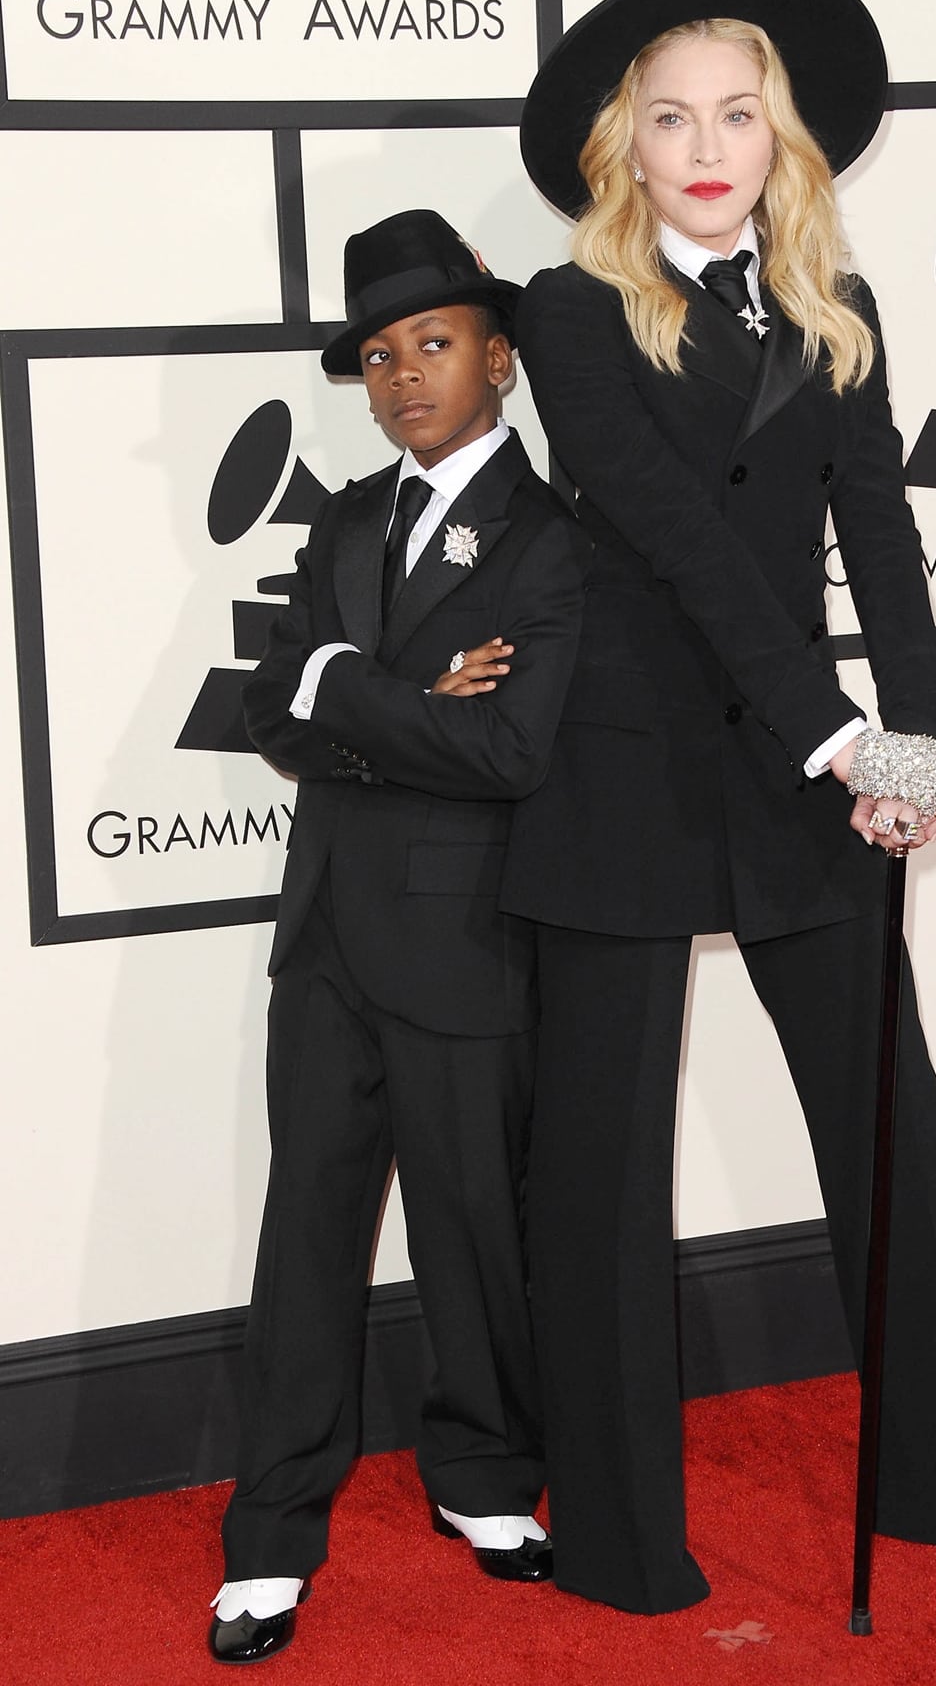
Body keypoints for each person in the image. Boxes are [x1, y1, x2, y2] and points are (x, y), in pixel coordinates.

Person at [503, 0, 936, 1616]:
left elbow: (878, 534)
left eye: (736, 112)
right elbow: (676, 542)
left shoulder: (844, 308)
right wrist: (845, 738)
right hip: (624, 765)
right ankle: (619, 1541)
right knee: (603, 1169)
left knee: (893, 1127)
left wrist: (930, 726)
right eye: (668, 114)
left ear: (780, 133)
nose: (706, 142)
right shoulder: (571, 309)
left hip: (803, 760)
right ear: (624, 140)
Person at [207, 209, 588, 1664]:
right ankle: (270, 1534)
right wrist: (395, 689)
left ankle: (486, 1478)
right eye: (377, 355)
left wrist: (342, 687)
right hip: (323, 945)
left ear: (497, 356)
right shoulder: (345, 519)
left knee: (472, 1229)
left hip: (463, 942)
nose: (402, 376)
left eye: (432, 344)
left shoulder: (554, 543)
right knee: (301, 1237)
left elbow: (506, 752)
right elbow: (265, 712)